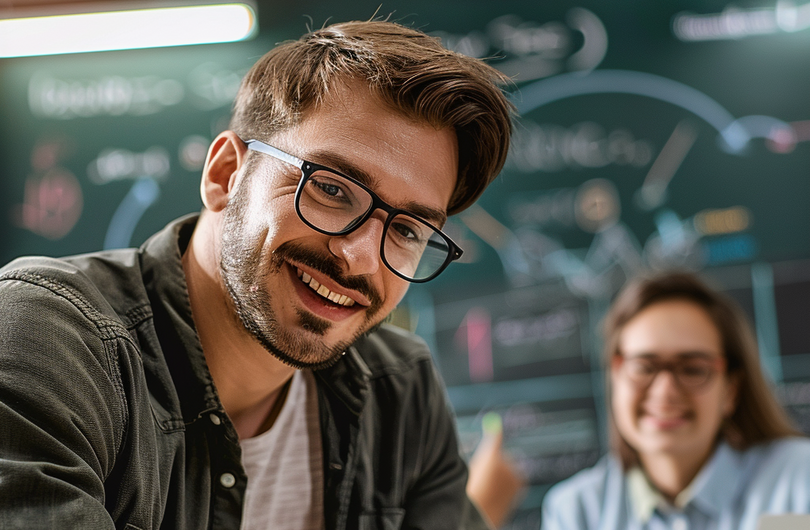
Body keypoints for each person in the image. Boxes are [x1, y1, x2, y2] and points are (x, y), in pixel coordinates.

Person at [0, 19, 514, 529]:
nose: (360, 257)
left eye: (406, 230)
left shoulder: (400, 391)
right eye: (332, 189)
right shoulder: (48, 338)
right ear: (226, 173)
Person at [542, 271, 810, 530]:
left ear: (731, 390)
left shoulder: (796, 483)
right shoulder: (577, 512)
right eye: (644, 367)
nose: (665, 391)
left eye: (693, 369)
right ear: (615, 378)